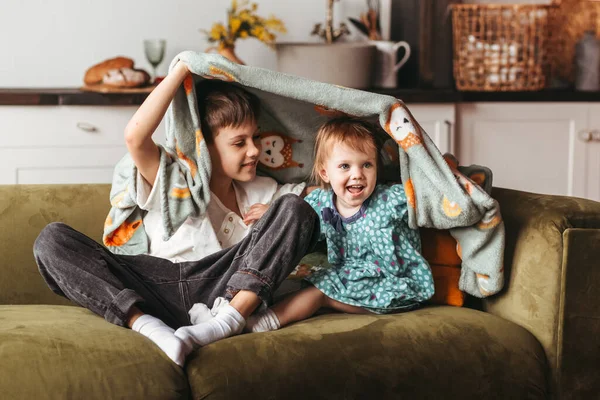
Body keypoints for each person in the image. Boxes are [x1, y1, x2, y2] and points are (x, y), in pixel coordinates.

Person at [33, 60, 320, 367]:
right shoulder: (176, 180)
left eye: (255, 138)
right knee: (51, 240)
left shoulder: (263, 189)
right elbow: (135, 138)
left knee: (295, 209)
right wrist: (182, 70)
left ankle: (230, 320)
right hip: (159, 285)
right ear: (204, 147)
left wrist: (273, 218)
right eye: (239, 143)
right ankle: (149, 327)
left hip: (223, 287)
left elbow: (321, 198)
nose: (254, 151)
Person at [241, 117, 435, 333]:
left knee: (321, 290)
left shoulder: (390, 199)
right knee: (304, 286)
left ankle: (265, 322)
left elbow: (431, 194)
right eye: (345, 166)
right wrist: (272, 211)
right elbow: (295, 219)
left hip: (395, 286)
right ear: (325, 173)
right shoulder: (321, 203)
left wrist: (448, 174)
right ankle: (248, 310)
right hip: (351, 279)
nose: (357, 174)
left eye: (367, 165)